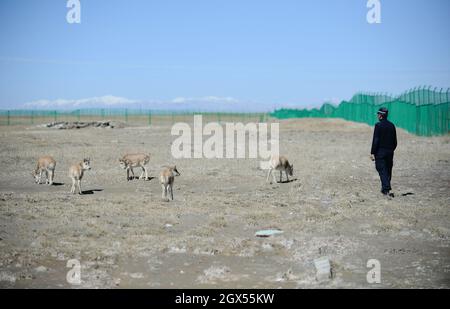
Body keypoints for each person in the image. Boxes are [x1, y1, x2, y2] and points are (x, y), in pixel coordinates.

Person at [371, 107, 397, 197]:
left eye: (378, 114)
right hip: (390, 151)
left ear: (381, 116)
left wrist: (372, 152)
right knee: (388, 170)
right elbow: (395, 141)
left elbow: (376, 140)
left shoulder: (378, 125)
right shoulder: (392, 125)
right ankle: (384, 188)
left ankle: (386, 188)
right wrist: (391, 149)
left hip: (380, 152)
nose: (377, 116)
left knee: (381, 169)